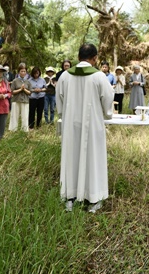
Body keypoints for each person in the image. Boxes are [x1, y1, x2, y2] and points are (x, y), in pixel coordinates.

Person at [57, 44, 114, 213]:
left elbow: (59, 100)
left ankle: (70, 197)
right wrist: (107, 114)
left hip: (70, 126)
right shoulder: (99, 76)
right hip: (92, 125)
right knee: (93, 159)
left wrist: (64, 113)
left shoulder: (65, 76)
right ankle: (94, 199)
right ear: (94, 58)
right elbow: (108, 98)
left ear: (78, 56)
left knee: (71, 158)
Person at [9, 63, 32, 132]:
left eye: (24, 71)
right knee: (14, 116)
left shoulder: (28, 81)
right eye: (21, 71)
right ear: (19, 72)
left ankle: (24, 130)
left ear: (26, 72)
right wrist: (20, 89)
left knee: (25, 116)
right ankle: (13, 130)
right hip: (16, 100)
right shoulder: (15, 81)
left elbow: (30, 93)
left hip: (25, 101)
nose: (23, 72)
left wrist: (24, 89)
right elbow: (12, 91)